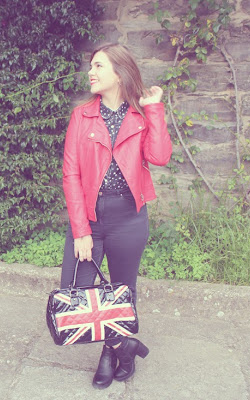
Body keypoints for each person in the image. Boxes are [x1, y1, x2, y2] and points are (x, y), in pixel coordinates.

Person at [61, 43, 172, 389]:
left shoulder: (140, 115)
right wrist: (81, 230)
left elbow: (159, 157)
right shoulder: (81, 116)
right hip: (90, 218)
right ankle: (126, 346)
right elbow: (71, 174)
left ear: (119, 73)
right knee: (76, 291)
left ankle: (110, 354)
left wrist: (154, 109)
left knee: (123, 292)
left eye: (99, 66)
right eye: (91, 66)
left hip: (129, 218)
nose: (91, 72)